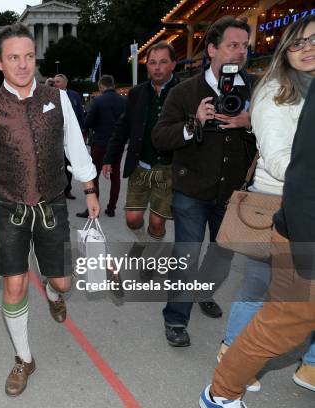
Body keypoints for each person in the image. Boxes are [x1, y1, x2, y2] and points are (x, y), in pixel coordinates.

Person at [0, 24, 99, 397]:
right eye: (13, 57)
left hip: (52, 205)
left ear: (36, 58)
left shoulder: (57, 98)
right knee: (14, 284)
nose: (22, 64)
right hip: (10, 209)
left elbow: (76, 147)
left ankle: (53, 291)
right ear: (0, 62)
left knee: (63, 281)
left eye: (28, 56)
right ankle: (24, 358)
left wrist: (90, 188)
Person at [200, 35, 315, 408]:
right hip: (274, 201)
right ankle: (233, 356)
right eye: (299, 42)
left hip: (299, 202)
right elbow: (284, 158)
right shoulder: (273, 92)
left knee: (289, 306)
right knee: (261, 288)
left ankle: (309, 364)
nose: (309, 48)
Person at [152, 16, 257, 347]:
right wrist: (192, 123)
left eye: (244, 46)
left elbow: (278, 136)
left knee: (222, 257)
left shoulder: (255, 88)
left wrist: (250, 123)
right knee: (187, 256)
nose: (240, 52)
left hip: (233, 191)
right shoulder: (185, 91)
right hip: (191, 191)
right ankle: (176, 319)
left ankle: (202, 291)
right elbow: (160, 137)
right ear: (212, 49)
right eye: (232, 45)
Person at [102, 41, 179, 276]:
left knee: (157, 222)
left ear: (173, 64)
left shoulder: (184, 91)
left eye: (163, 62)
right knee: (133, 219)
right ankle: (144, 243)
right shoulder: (137, 93)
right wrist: (109, 157)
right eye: (152, 63)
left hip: (168, 169)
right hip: (140, 167)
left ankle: (150, 259)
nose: (157, 68)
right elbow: (122, 127)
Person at [76, 74, 126, 218]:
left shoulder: (98, 100)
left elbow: (88, 123)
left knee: (93, 176)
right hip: (117, 144)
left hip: (100, 143)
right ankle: (111, 208)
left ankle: (93, 207)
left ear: (101, 86)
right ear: (113, 85)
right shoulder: (124, 100)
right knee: (115, 175)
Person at [53, 73, 85, 200]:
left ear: (65, 83)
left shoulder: (74, 96)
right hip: (54, 137)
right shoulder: (49, 96)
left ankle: (67, 190)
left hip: (69, 136)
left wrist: (82, 131)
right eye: (54, 82)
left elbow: (79, 114)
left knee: (68, 165)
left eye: (58, 81)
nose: (55, 84)